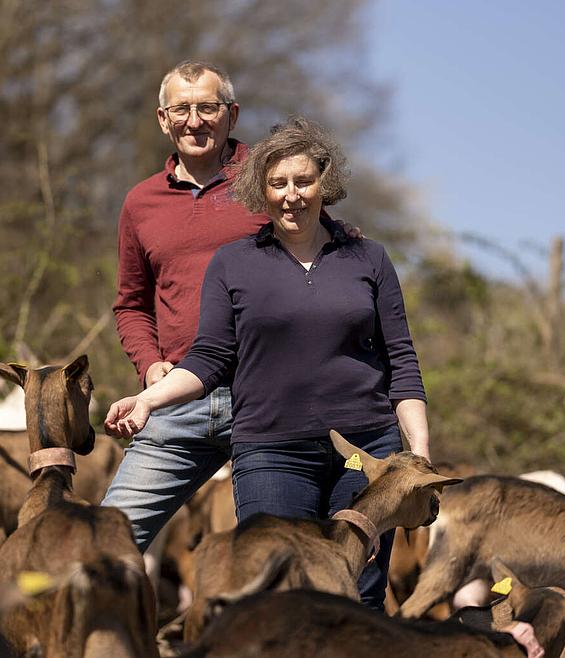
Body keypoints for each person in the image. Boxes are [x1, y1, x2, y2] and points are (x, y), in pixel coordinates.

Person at [105, 116, 429, 610]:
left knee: (359, 598)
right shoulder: (234, 263)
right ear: (261, 189)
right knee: (276, 598)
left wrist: (418, 454)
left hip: (365, 453)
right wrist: (147, 399)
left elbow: (401, 361)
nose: (291, 195)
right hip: (272, 452)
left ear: (327, 182)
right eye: (278, 183)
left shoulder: (369, 258)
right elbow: (209, 358)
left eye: (304, 180)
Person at [101, 60, 266, 554]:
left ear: (231, 115)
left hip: (264, 399)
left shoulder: (269, 182)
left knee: (274, 555)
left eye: (208, 108)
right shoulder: (140, 203)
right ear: (162, 118)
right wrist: (151, 367)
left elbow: (325, 259)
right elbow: (130, 305)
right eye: (182, 109)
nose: (195, 121)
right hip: (176, 401)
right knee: (105, 546)